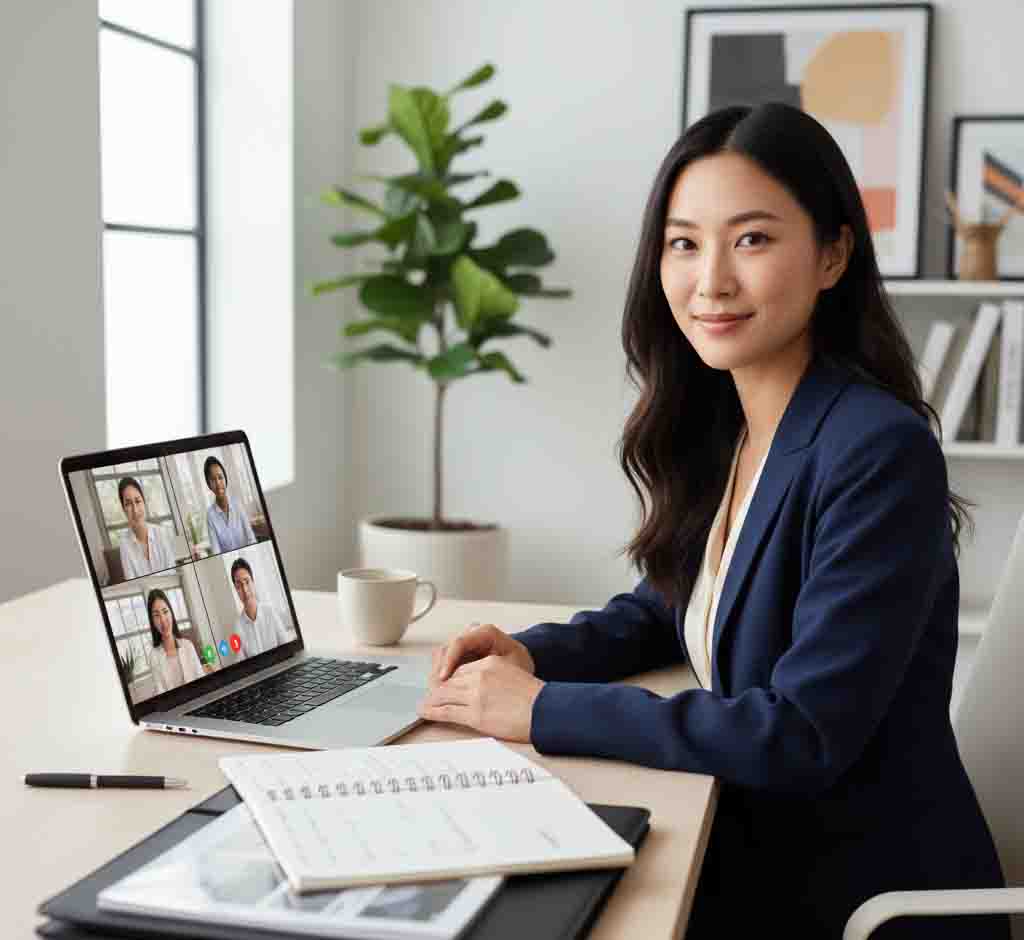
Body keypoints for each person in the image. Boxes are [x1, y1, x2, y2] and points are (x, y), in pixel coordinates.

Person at [418, 103, 1009, 939]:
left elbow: (800, 734)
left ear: (834, 253)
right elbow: (673, 602)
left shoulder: (877, 448)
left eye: (753, 239)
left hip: (850, 898)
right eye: (684, 243)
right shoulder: (736, 422)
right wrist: (532, 654)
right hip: (750, 843)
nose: (711, 281)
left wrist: (542, 707)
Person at [230, 557, 293, 658]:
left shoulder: (270, 612)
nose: (245, 590)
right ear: (236, 590)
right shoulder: (238, 627)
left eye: (247, 582)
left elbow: (287, 649)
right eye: (239, 586)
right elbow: (240, 662)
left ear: (253, 582)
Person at [117, 477, 176, 580]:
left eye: (138, 501)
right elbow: (132, 582)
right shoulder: (124, 544)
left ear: (144, 502)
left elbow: (172, 573)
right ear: (123, 509)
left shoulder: (162, 533)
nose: (135, 510)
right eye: (128, 504)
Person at [146, 588, 203, 694]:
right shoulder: (154, 656)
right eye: (156, 615)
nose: (163, 620)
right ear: (152, 621)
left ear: (171, 613)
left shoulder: (188, 646)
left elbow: (201, 680)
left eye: (165, 611)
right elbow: (160, 693)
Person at [203, 455, 256, 554]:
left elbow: (251, 538)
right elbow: (216, 551)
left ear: (225, 479)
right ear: (209, 484)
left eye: (220, 477)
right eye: (213, 480)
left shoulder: (237, 504)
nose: (218, 483)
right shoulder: (210, 515)